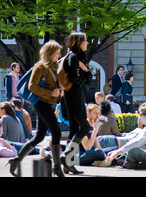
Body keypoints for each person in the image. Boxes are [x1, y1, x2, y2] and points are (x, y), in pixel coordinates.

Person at [7, 40, 65, 177]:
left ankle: (16, 161)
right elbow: (32, 87)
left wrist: (59, 92)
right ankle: (57, 168)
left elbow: (53, 89)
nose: (59, 55)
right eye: (57, 53)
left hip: (47, 103)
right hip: (40, 103)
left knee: (39, 136)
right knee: (56, 132)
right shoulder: (40, 67)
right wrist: (51, 93)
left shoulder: (54, 67)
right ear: (50, 53)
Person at [60, 32, 93, 175]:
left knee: (74, 130)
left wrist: (86, 71)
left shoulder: (80, 58)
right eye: (85, 41)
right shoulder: (73, 57)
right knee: (85, 127)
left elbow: (89, 79)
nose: (87, 43)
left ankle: (68, 165)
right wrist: (82, 82)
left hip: (75, 96)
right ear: (78, 43)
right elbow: (74, 78)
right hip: (73, 97)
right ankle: (67, 156)